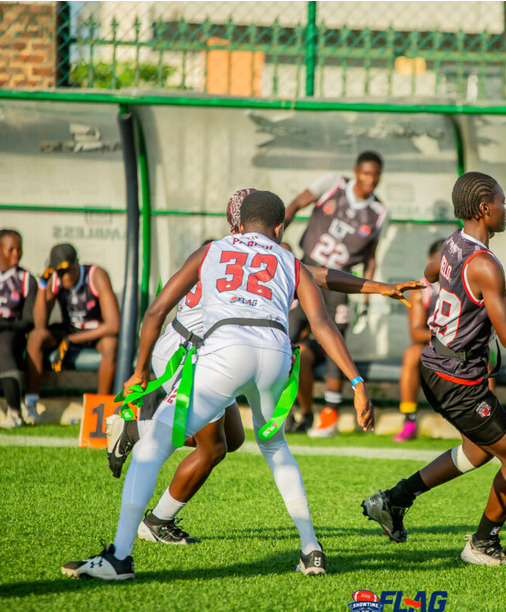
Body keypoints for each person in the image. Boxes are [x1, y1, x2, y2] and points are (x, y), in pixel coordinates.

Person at [62, 190, 377, 581]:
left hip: (223, 349)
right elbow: (322, 324)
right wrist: (357, 382)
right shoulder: (291, 261)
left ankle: (119, 557)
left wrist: (140, 371)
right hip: (276, 353)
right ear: (280, 228)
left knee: (155, 444)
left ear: (239, 223)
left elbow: (157, 310)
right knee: (274, 445)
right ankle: (311, 550)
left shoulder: (212, 250)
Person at [105, 189, 420, 546]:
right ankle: (142, 471)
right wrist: (141, 371)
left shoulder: (226, 250)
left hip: (216, 351)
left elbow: (318, 275)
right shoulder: (233, 252)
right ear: (266, 225)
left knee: (230, 440)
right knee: (207, 446)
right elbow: (314, 278)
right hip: (189, 350)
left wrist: (379, 288)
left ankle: (149, 487)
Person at [362, 172, 506, 566]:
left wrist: (476, 299)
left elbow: (430, 273)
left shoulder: (454, 243)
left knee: (478, 451)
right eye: (502, 202)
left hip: (436, 365)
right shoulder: (486, 264)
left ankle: (393, 500)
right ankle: (482, 545)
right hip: (457, 381)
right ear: (484, 208)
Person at [284, 151, 387, 437]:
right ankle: (285, 411)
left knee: (335, 347)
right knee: (284, 338)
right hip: (307, 272)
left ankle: (329, 416)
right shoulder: (333, 184)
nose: (370, 179)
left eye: (376, 174)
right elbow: (295, 204)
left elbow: (371, 257)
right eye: (366, 173)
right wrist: (275, 236)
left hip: (338, 283)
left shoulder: (379, 212)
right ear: (356, 171)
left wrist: (366, 297)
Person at [24, 243, 119, 423]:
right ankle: (31, 406)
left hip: (95, 332)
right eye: (60, 272)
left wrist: (70, 339)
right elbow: (39, 324)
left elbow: (113, 325)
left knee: (110, 344)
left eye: (69, 270)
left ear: (76, 263)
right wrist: (43, 285)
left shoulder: (95, 275)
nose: (65, 276)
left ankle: (100, 410)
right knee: (36, 337)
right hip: (70, 329)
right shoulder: (55, 281)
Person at [393, 238, 445, 442]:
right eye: (438, 259)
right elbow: (416, 333)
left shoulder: (465, 283)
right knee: (412, 354)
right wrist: (446, 337)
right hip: (436, 345)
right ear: (429, 261)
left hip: (462, 346)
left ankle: (487, 421)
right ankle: (409, 419)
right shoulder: (421, 289)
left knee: (484, 359)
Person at [0, 229, 37, 428]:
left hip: (13, 332)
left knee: (4, 343)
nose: (16, 253)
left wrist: (4, 325)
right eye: (11, 249)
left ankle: (14, 411)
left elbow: (29, 320)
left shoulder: (25, 279)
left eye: (19, 249)